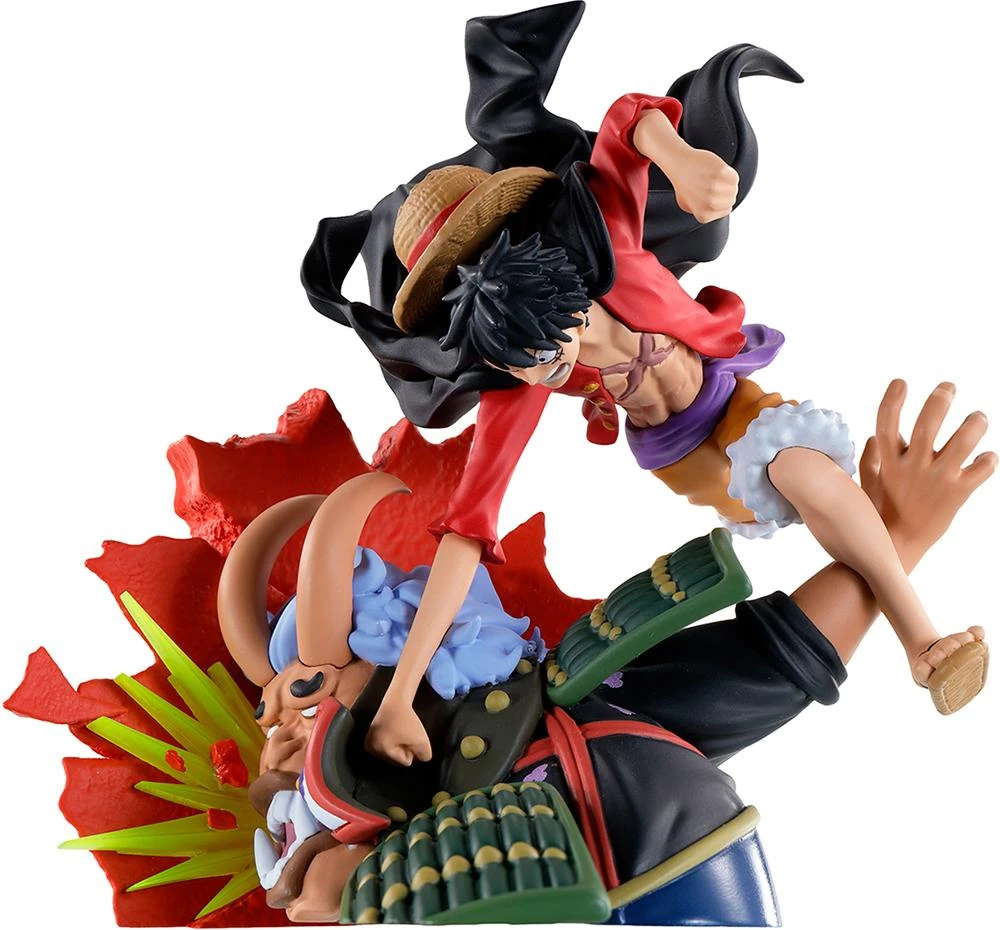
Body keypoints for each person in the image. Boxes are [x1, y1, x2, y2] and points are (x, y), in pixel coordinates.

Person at [302, 3, 991, 764]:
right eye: (522, 367)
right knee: (799, 487)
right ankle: (896, 547)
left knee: (799, 469)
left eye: (548, 353)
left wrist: (683, 161)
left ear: (563, 296)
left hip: (727, 395)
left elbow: (625, 119)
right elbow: (467, 531)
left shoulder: (608, 240)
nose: (543, 375)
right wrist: (399, 695)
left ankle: (923, 641)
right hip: (680, 456)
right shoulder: (516, 378)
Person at [220, 381, 995, 922]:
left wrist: (894, 547)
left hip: (687, 864)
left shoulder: (589, 695)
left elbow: (776, 659)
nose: (282, 723)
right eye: (275, 706)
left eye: (303, 691)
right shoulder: (343, 812)